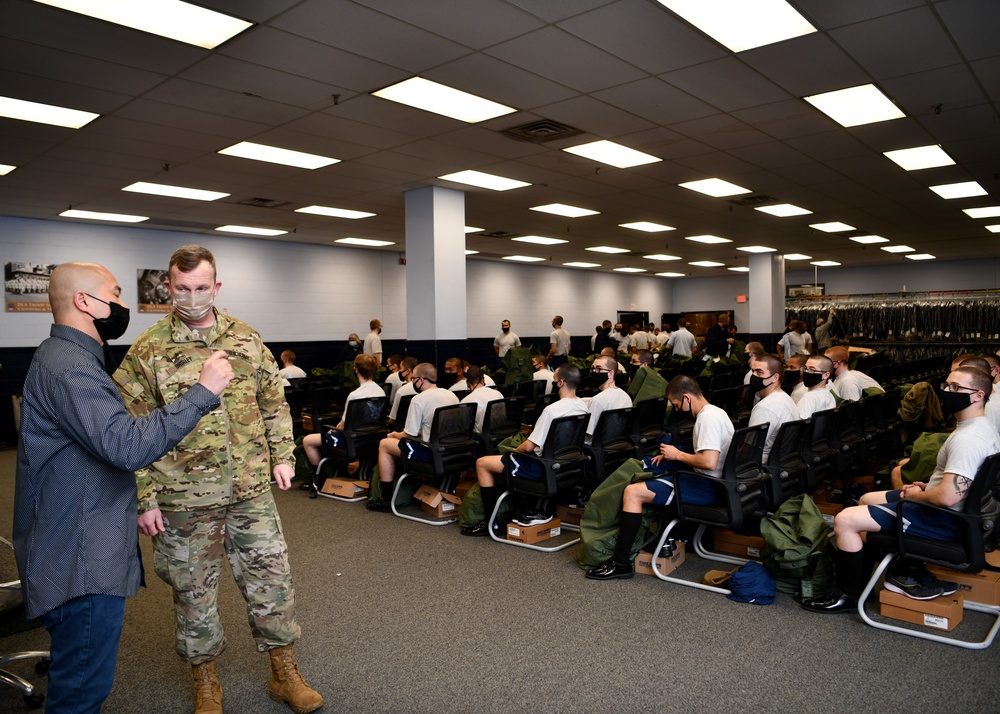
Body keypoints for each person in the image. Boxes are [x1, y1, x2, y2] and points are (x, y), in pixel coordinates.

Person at [13, 262, 232, 713]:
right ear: (84, 302)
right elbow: (126, 445)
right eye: (115, 294)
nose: (123, 305)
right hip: (81, 561)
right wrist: (202, 392)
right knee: (80, 696)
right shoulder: (71, 368)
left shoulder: (64, 359)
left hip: (71, 541)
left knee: (79, 678)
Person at [114, 245, 323, 714]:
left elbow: (274, 403)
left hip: (250, 493)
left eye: (201, 287)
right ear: (168, 287)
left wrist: (284, 456)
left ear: (217, 286)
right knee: (193, 594)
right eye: (182, 288)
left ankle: (283, 672)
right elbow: (130, 430)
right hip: (182, 499)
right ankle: (205, 682)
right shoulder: (147, 351)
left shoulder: (246, 339)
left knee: (273, 584)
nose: (191, 297)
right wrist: (144, 497)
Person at [802, 366, 1000, 613]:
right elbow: (963, 480)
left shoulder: (967, 439)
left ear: (978, 395)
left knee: (844, 520)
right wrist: (929, 486)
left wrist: (919, 495)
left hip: (941, 518)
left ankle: (848, 595)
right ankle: (903, 568)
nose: (947, 391)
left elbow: (949, 496)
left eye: (957, 387)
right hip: (952, 509)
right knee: (866, 498)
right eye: (947, 385)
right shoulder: (979, 427)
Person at [586, 375, 733, 580]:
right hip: (713, 483)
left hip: (706, 487)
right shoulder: (717, 412)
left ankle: (620, 563)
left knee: (632, 492)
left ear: (686, 398)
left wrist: (676, 455)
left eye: (676, 404)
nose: (677, 410)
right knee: (649, 480)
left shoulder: (707, 418)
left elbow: (709, 462)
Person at [462, 364, 589, 536]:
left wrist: (513, 451)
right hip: (566, 464)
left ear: (561, 383)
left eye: (554, 381)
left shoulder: (552, 410)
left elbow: (529, 447)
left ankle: (492, 522)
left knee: (482, 463)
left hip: (541, 467)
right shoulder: (583, 406)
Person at [367, 362, 459, 511]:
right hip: (451, 450)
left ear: (421, 379)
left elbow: (408, 434)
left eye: (413, 379)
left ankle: (386, 498)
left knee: (384, 444)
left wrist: (394, 434)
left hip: (431, 453)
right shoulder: (451, 395)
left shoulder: (419, 399)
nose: (412, 382)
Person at [302, 353, 385, 468]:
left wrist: (331, 431)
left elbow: (342, 425)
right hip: (372, 439)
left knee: (308, 441)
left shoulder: (355, 395)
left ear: (355, 369)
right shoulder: (381, 391)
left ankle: (321, 475)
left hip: (351, 441)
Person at [747, 355, 798, 462]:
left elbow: (749, 450)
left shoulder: (765, 407)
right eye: (753, 371)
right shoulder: (786, 398)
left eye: (759, 372)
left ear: (775, 377)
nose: (754, 375)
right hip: (780, 463)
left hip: (759, 466)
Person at [585, 355, 633, 444]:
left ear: (611, 373)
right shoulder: (626, 397)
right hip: (619, 445)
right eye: (593, 368)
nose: (595, 372)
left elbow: (588, 437)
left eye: (599, 369)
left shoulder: (597, 400)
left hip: (598, 448)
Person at [460, 365, 504, 434]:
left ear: (467, 383)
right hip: (500, 433)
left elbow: (465, 426)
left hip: (480, 438)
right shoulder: (498, 394)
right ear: (483, 379)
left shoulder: (465, 401)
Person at [387, 356, 419, 425]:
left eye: (401, 368)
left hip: (401, 428)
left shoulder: (402, 391)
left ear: (408, 371)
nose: (399, 371)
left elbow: (392, 419)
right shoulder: (422, 388)